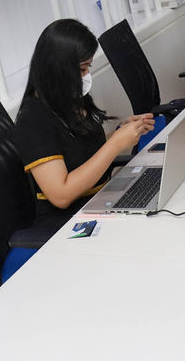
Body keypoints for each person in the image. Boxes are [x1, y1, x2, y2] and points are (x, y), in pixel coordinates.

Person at [15, 19, 154, 228]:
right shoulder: (33, 120)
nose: (86, 76)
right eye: (82, 69)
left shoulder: (68, 98)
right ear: (58, 69)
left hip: (99, 201)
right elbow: (61, 196)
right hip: (68, 223)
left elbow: (78, 151)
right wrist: (115, 144)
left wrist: (121, 133)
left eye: (88, 67)